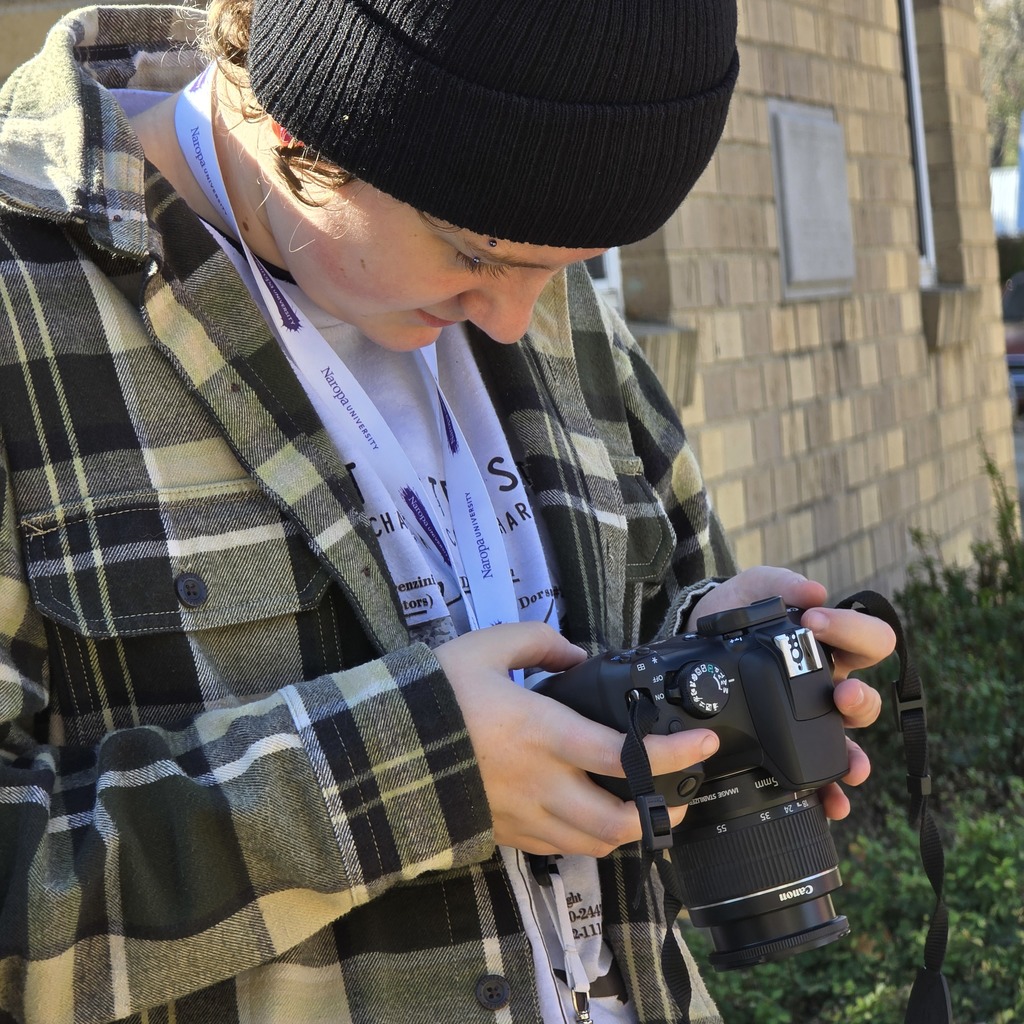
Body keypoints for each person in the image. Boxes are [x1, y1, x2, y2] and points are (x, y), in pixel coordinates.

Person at [0, 1, 894, 1022]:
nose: (517, 318)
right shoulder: (25, 307)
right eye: (474, 254)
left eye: (567, 266)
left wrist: (705, 679)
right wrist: (406, 773)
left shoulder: (534, 263)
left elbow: (652, 616)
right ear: (302, 125)